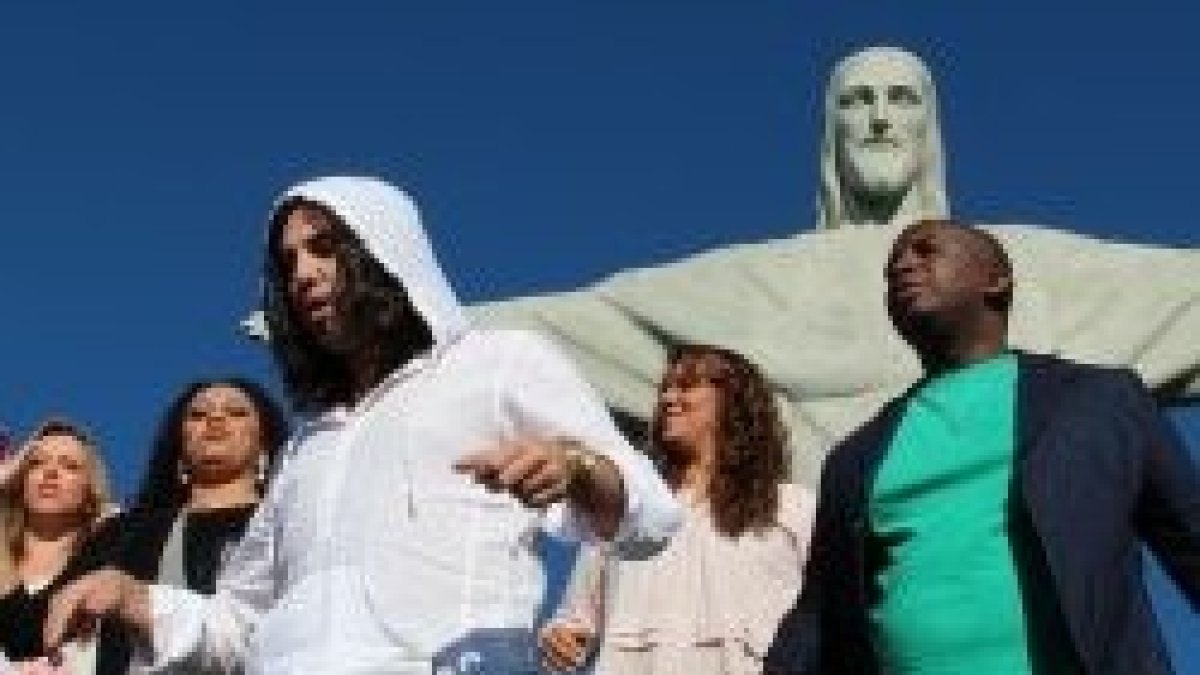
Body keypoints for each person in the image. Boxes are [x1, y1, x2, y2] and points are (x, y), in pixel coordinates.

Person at [468, 45, 1200, 483]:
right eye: (856, 102)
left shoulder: (1025, 267)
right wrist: (412, 321)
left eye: (901, 100)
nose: (879, 119)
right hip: (811, 590)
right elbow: (576, 326)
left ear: (929, 128)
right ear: (832, 131)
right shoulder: (753, 284)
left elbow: (1182, 296)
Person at [45, 176, 680, 674]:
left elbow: (651, 516)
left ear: (386, 250)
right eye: (288, 262)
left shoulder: (498, 362)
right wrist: (133, 597)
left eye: (324, 248)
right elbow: (242, 623)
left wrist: (577, 467)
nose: (303, 274)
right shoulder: (304, 448)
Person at [764, 219, 1200, 674]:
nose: (903, 266)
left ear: (996, 280)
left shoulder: (1100, 402)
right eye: (892, 269)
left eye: (926, 251)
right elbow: (817, 620)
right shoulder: (854, 458)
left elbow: (1190, 538)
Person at [539, 344, 813, 674]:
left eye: (686, 386)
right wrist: (560, 640)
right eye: (665, 389)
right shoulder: (629, 508)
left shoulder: (793, 508)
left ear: (735, 402)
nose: (668, 398)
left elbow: (834, 615)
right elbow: (574, 620)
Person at [93, 378, 287, 674]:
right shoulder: (126, 535)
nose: (215, 419)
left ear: (264, 443)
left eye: (236, 412)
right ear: (180, 444)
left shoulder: (289, 523)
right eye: (197, 415)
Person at [0, 419, 116, 674]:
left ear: (90, 491)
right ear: (19, 481)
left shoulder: (105, 560)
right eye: (37, 463)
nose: (50, 472)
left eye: (70, 466)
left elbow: (27, 639)